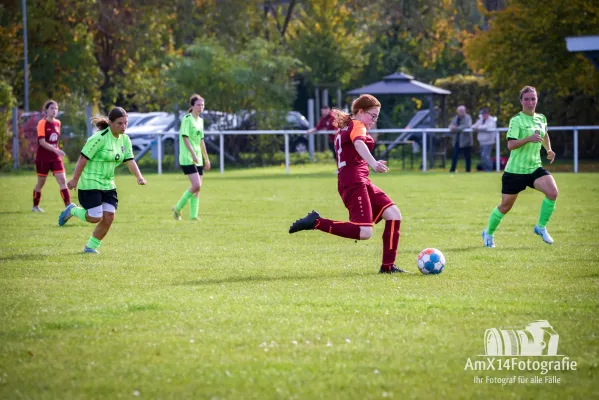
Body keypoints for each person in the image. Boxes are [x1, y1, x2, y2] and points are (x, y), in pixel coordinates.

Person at [289, 94, 406, 274]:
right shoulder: (357, 125)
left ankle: (388, 267)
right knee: (364, 231)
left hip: (358, 180)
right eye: (372, 116)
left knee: (394, 214)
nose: (374, 120)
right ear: (360, 112)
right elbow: (359, 144)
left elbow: (354, 149)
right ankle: (317, 222)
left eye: (377, 117)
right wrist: (373, 163)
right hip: (353, 182)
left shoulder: (347, 126)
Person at [57, 107, 146, 253]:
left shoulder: (125, 140)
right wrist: (74, 179)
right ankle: (72, 210)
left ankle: (91, 247)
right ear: (110, 123)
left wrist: (139, 177)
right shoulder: (99, 138)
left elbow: (130, 160)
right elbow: (83, 158)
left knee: (109, 217)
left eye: (125, 123)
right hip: (90, 182)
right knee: (95, 217)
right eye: (119, 123)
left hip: (108, 183)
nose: (123, 127)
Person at [482, 86, 557, 248]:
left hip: (535, 168)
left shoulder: (541, 118)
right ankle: (488, 233)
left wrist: (549, 149)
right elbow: (510, 145)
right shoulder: (516, 120)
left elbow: (545, 135)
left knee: (552, 192)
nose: (530, 102)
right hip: (515, 171)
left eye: (533, 98)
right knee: (505, 206)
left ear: (537, 100)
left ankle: (541, 227)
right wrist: (528, 139)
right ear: (521, 101)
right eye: (527, 99)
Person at [172, 94, 211, 221]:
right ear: (192, 106)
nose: (201, 107)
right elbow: (185, 137)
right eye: (198, 104)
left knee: (198, 188)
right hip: (187, 157)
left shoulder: (200, 121)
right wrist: (193, 154)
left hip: (198, 157)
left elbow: (201, 141)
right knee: (196, 185)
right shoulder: (187, 119)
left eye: (202, 105)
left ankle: (193, 216)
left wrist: (206, 158)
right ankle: (177, 208)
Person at [32, 100, 71, 212]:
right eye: (52, 108)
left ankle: (68, 206)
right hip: (43, 157)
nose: (54, 111)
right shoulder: (42, 123)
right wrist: (56, 150)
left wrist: (58, 151)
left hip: (55, 157)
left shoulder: (58, 123)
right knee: (41, 182)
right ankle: (35, 206)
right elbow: (42, 142)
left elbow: (55, 141)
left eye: (56, 108)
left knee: (62, 180)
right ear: (46, 110)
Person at [448, 105, 473, 173]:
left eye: (462, 111)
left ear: (465, 111)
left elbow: (466, 125)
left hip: (466, 141)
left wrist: (455, 128)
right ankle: (452, 170)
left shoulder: (468, 117)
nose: (461, 112)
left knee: (467, 157)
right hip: (457, 141)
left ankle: (468, 170)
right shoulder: (456, 118)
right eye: (460, 111)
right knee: (454, 156)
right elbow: (451, 125)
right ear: (457, 111)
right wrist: (451, 127)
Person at [472, 107, 497, 172]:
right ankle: (486, 169)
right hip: (482, 141)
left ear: (488, 113)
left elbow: (488, 127)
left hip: (489, 142)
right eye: (482, 114)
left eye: (485, 113)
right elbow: (473, 126)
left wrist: (478, 128)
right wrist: (477, 127)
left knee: (485, 155)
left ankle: (489, 169)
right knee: (483, 156)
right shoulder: (480, 120)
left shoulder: (491, 120)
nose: (483, 115)